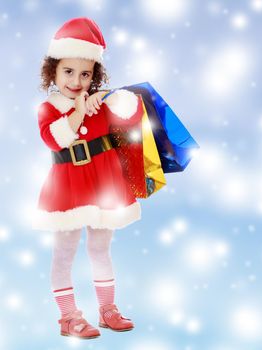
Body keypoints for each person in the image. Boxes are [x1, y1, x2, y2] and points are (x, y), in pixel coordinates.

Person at [32, 17, 144, 339]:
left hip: (102, 186)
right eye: (68, 71)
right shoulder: (48, 108)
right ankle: (68, 316)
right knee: (64, 252)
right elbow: (56, 139)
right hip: (67, 189)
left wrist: (109, 97)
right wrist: (80, 109)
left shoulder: (101, 102)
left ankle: (108, 310)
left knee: (100, 249)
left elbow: (133, 113)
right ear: (52, 71)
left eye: (86, 73)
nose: (77, 80)